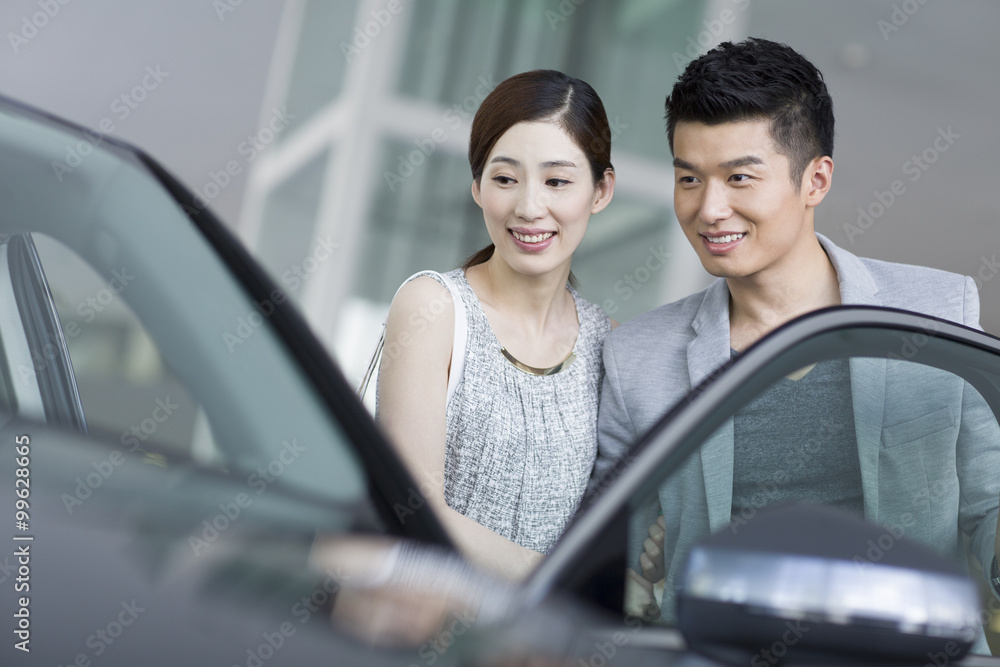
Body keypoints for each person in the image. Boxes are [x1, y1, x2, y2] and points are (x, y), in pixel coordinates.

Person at [594, 38, 1000, 645]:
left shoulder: (936, 311)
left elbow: (990, 504)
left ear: (816, 179)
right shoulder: (637, 357)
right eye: (689, 178)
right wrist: (629, 581)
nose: (709, 209)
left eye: (740, 178)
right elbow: (603, 553)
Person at [377, 70, 616, 581]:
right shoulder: (435, 309)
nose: (529, 208)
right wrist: (556, 583)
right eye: (505, 178)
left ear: (601, 190)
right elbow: (411, 509)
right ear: (477, 187)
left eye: (557, 181)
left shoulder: (609, 344)